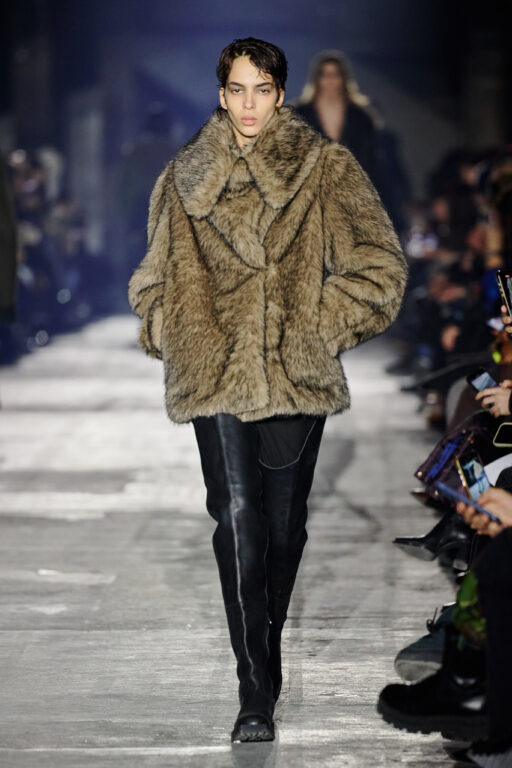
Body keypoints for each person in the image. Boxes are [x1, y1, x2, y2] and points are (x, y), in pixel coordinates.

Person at [127, 36, 408, 743]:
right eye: (237, 90)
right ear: (221, 96)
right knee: (237, 518)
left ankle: (267, 654)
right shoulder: (184, 177)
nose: (249, 104)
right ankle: (254, 689)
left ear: (281, 95)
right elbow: (151, 277)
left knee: (282, 531)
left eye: (262, 90)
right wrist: (171, 327)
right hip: (213, 368)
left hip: (294, 373)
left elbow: (380, 267)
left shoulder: (325, 168)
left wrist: (316, 325)